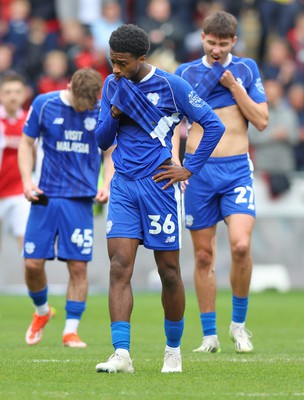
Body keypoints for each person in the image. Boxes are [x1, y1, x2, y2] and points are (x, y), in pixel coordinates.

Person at [94, 23, 225, 374]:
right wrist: (114, 113)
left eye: (122, 63)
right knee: (119, 266)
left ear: (142, 57)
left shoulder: (172, 85)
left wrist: (189, 168)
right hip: (123, 185)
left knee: (169, 272)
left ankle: (173, 351)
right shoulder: (111, 85)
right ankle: (122, 354)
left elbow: (213, 125)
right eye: (112, 61)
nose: (116, 69)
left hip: (160, 188)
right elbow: (102, 141)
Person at [173, 11, 268, 354]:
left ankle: (239, 326)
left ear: (234, 42)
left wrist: (236, 89)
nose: (216, 49)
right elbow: (173, 124)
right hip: (198, 173)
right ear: (202, 38)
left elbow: (261, 121)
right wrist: (174, 161)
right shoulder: (184, 73)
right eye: (211, 42)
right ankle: (209, 335)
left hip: (236, 171)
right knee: (202, 255)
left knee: (241, 246)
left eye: (223, 43)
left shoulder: (246, 69)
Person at [18, 68, 114, 348]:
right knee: (32, 263)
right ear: (70, 86)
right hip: (45, 196)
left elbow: (110, 153)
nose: (84, 107)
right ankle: (42, 312)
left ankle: (71, 330)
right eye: (79, 101)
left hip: (81, 200)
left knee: (78, 267)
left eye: (89, 103)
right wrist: (26, 181)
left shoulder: (101, 110)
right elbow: (26, 143)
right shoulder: (44, 104)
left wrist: (107, 183)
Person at [0, 72, 29, 252]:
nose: (12, 96)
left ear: (24, 94)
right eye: (8, 92)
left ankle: (33, 281)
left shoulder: (30, 120)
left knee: (28, 249)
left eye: (17, 92)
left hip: (19, 193)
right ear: (1, 95)